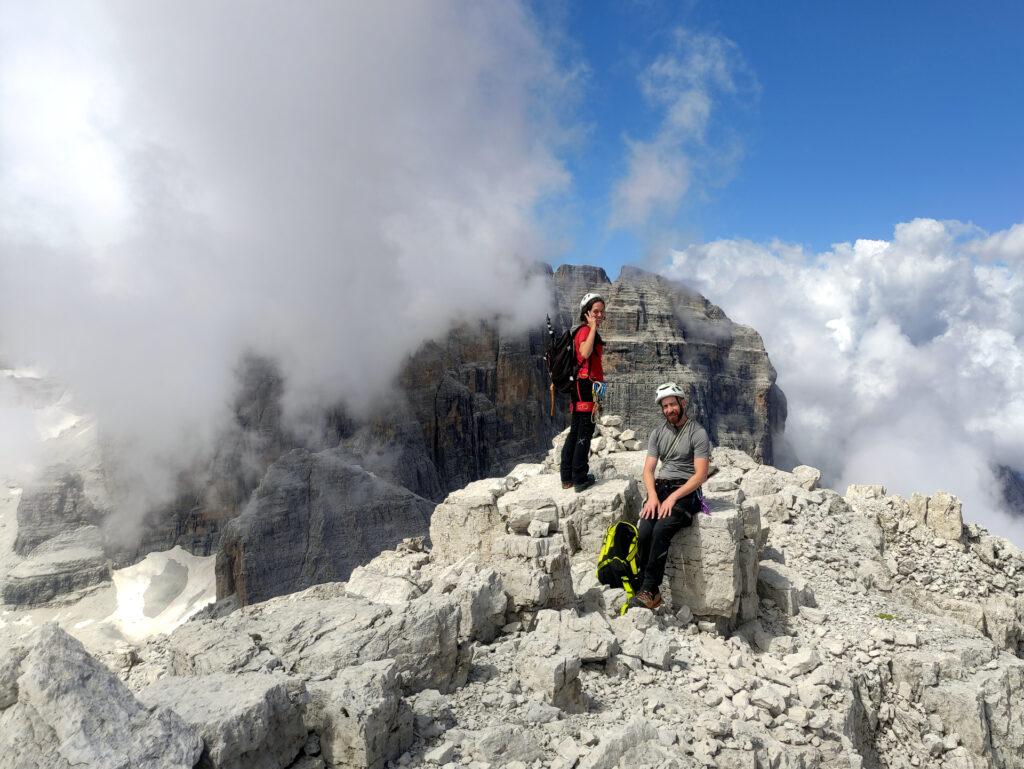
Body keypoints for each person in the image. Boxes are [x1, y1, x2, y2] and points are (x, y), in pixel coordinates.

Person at [630, 382, 710, 610]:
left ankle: (650, 590)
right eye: (664, 406)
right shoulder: (657, 433)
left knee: (661, 529)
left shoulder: (698, 433)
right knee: (644, 531)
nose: (668, 410)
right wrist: (653, 497)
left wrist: (673, 498)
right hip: (661, 488)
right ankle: (642, 585)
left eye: (672, 405)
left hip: (686, 490)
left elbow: (701, 474)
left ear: (682, 403)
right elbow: (648, 470)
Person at [559, 292, 606, 493]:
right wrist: (593, 326)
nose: (600, 315)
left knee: (576, 430)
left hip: (581, 385)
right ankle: (580, 477)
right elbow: (585, 353)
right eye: (595, 311)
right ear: (586, 312)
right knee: (584, 431)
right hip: (586, 386)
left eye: (602, 312)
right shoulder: (586, 331)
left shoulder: (582, 331)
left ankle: (567, 476)